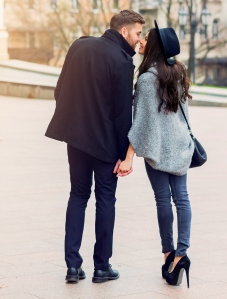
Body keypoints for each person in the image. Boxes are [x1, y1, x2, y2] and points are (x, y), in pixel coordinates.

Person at [45, 10, 145, 283]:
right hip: (105, 147)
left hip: (76, 140)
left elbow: (59, 91)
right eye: (137, 33)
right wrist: (125, 156)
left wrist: (75, 123)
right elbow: (123, 115)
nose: (139, 40)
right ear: (123, 31)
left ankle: (72, 267)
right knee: (105, 200)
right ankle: (102, 267)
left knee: (77, 196)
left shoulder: (79, 44)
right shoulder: (122, 62)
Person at [117, 21, 194, 288]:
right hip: (181, 145)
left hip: (159, 149)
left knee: (164, 201)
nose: (141, 42)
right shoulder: (179, 71)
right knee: (182, 200)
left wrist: (128, 157)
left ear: (156, 47)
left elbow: (140, 124)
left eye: (146, 38)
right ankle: (182, 254)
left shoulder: (148, 79)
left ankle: (168, 255)